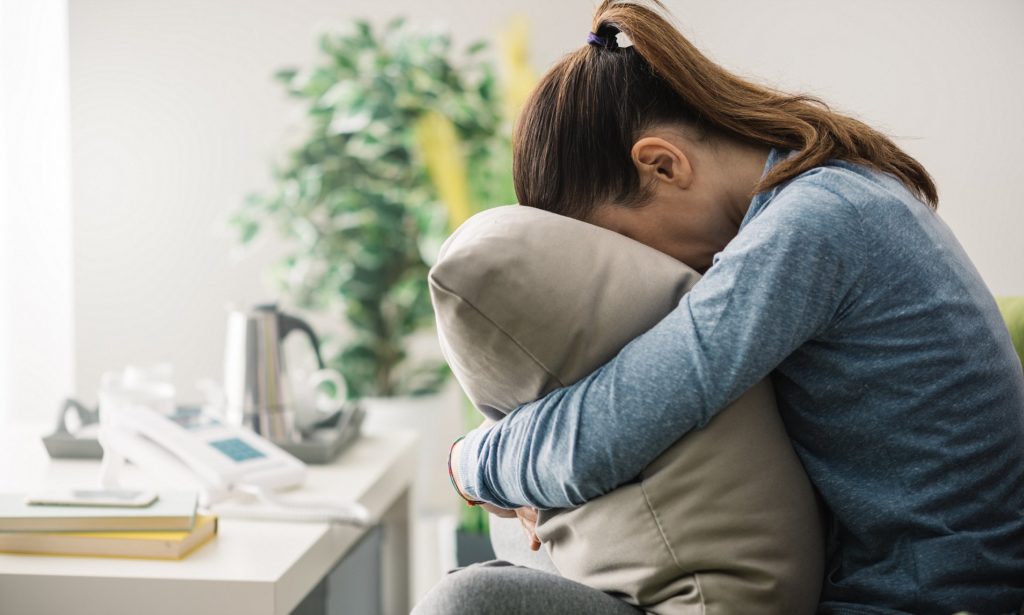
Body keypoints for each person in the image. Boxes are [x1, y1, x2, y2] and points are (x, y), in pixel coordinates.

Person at [418, 1, 1024, 613]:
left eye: (622, 245)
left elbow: (606, 433)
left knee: (473, 600)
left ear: (662, 164)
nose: (644, 272)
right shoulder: (844, 190)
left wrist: (467, 464)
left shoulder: (815, 225)